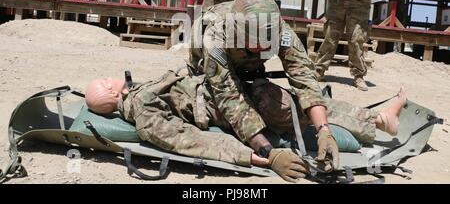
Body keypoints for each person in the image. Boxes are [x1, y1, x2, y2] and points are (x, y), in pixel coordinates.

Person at [84, 72, 408, 183]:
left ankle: (375, 119)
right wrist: (266, 158)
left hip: (225, 91)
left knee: (293, 99)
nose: (108, 77)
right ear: (111, 93)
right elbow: (195, 142)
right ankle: (378, 121)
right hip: (234, 108)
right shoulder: (144, 114)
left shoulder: (139, 94)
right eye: (102, 81)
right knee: (288, 104)